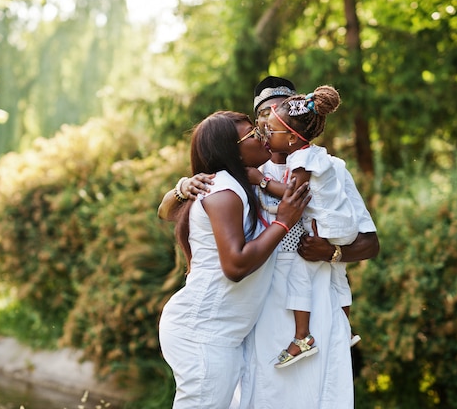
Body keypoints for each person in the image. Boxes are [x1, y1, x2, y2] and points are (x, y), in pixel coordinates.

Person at [158, 76, 379, 408]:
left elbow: (370, 243)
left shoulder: (326, 169)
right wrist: (182, 188)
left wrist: (332, 252)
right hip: (256, 306)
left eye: (280, 109)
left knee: (316, 392)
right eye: (263, 113)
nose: (268, 119)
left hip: (312, 298)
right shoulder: (244, 175)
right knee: (259, 393)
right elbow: (179, 211)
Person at [158, 110, 311, 408]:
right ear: (232, 149)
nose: (262, 136)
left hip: (222, 334)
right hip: (203, 332)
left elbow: (169, 213)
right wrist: (283, 222)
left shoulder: (243, 186)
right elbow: (235, 266)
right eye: (252, 134)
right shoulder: (224, 190)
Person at [253, 85, 360, 368]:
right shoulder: (314, 154)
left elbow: (291, 197)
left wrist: (260, 181)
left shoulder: (302, 162)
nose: (265, 128)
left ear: (290, 136)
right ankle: (346, 326)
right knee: (339, 276)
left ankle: (302, 337)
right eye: (262, 116)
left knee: (300, 273)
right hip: (339, 224)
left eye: (272, 124)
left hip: (327, 228)